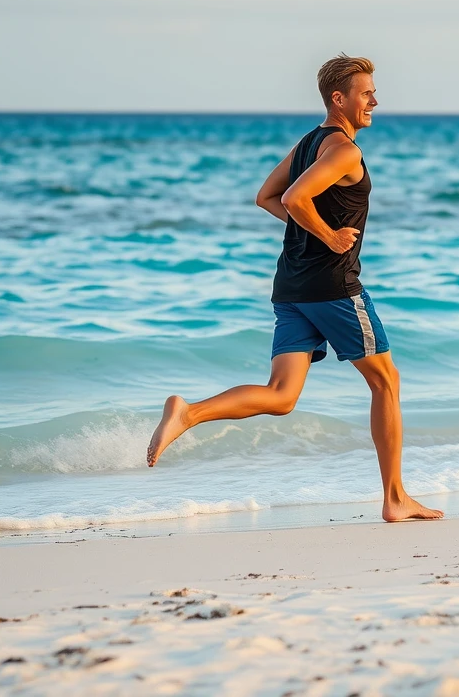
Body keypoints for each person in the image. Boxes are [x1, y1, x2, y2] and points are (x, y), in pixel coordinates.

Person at [146, 55, 443, 523]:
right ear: (339, 99)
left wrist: (310, 229)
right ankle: (395, 498)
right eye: (366, 93)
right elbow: (290, 198)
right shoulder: (343, 150)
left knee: (281, 395)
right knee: (386, 381)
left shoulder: (309, 143)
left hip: (292, 287)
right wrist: (328, 235)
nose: (375, 100)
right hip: (334, 286)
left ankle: (189, 413)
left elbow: (265, 196)